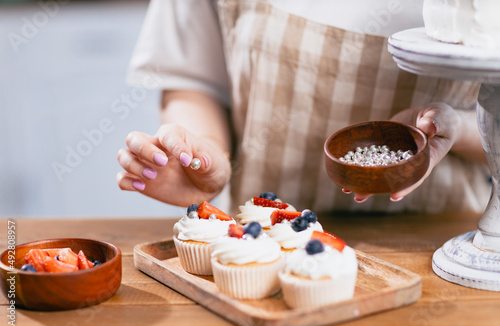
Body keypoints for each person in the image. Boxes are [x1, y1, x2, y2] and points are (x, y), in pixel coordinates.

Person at [116, 0, 490, 214]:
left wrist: (453, 128)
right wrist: (202, 155)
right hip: (260, 242)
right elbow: (195, 81)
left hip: (444, 250)